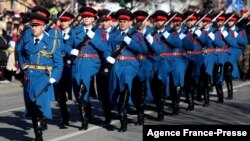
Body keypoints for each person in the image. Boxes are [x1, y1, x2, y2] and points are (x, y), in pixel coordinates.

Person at [15, 13, 63, 141]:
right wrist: (22, 64)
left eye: (37, 26)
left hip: (43, 77)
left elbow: (59, 63)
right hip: (29, 77)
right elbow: (19, 51)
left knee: (38, 105)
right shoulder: (28, 40)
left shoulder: (52, 42)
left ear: (43, 27)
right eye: (32, 25)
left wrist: (55, 77)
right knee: (31, 106)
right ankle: (39, 125)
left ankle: (38, 136)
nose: (34, 28)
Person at [68, 6, 111, 130]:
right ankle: (86, 115)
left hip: (92, 62)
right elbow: (66, 45)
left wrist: (93, 37)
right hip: (77, 62)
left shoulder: (100, 32)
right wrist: (71, 51)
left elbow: (104, 47)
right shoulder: (75, 31)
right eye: (84, 17)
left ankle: (84, 121)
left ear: (93, 19)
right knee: (78, 92)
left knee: (83, 86)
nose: (86, 19)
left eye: (89, 17)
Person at [54, 11, 75, 127]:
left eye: (65, 21)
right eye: (61, 21)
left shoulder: (75, 33)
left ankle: (85, 117)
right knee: (60, 96)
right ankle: (65, 118)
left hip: (71, 65)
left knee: (79, 93)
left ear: (70, 21)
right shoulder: (56, 34)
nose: (63, 23)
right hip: (59, 66)